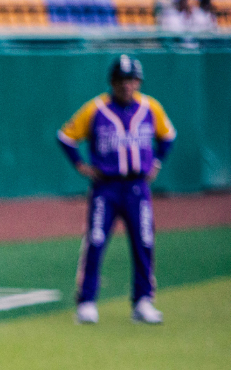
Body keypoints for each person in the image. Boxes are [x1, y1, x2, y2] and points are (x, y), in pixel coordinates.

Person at [57, 55, 175, 325]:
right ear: (112, 82)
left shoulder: (150, 108)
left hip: (137, 186)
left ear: (138, 82)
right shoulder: (96, 109)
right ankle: (86, 302)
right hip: (106, 187)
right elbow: (65, 137)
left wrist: (157, 162)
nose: (126, 85)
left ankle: (143, 301)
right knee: (96, 241)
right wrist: (80, 165)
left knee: (144, 241)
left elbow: (168, 135)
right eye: (121, 80)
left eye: (132, 80)